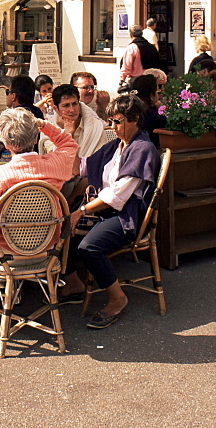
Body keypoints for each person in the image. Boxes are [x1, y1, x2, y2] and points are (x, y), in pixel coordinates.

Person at [66, 93, 159, 327]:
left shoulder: (142, 149)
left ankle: (118, 298)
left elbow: (117, 195)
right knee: (61, 230)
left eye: (118, 121)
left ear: (135, 119)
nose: (113, 127)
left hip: (127, 216)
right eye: (112, 121)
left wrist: (82, 210)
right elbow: (82, 167)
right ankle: (74, 284)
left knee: (89, 247)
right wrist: (68, 135)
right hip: (107, 212)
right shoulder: (116, 146)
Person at [0, 109, 77, 302]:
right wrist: (43, 125)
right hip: (48, 249)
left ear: (6, 144)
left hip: (7, 254)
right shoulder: (55, 165)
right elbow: (68, 143)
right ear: (35, 139)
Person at [51, 83, 106, 158]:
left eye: (74, 104)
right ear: (56, 109)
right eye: (66, 105)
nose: (72, 110)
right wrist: (67, 134)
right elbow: (53, 159)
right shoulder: (49, 127)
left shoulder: (96, 126)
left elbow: (102, 158)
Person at [127, 74, 162, 145]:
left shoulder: (128, 110)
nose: (159, 95)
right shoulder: (154, 116)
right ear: (151, 96)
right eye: (158, 92)